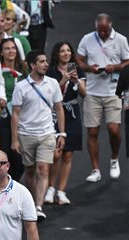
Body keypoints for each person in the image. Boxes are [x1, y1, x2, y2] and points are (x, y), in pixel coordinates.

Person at [11, 50, 65, 222]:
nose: (46, 64)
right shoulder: (21, 87)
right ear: (32, 65)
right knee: (29, 170)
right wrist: (14, 139)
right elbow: (16, 114)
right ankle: (32, 202)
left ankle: (38, 206)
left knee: (43, 168)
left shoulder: (53, 83)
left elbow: (58, 108)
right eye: (41, 61)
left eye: (46, 61)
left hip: (47, 133)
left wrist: (61, 133)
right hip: (26, 134)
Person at [76, 14, 129, 183]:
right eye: (100, 31)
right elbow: (79, 59)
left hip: (114, 91)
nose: (103, 34)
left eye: (106, 31)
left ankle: (114, 159)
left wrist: (115, 67)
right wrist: (89, 68)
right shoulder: (87, 39)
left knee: (114, 129)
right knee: (92, 131)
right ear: (96, 27)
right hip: (92, 91)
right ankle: (95, 169)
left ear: (111, 26)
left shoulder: (121, 40)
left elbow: (127, 61)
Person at [44, 42, 86, 205]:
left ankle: (61, 191)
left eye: (69, 50)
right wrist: (64, 79)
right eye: (62, 51)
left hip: (72, 113)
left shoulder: (77, 69)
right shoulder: (51, 71)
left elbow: (84, 94)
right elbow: (50, 93)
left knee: (68, 154)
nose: (66, 53)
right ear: (57, 54)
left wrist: (76, 82)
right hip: (55, 114)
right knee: (56, 153)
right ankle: (50, 188)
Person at [0, 38, 28, 181]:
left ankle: (14, 183)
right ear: (1, 52)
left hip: (23, 117)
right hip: (4, 117)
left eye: (13, 48)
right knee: (5, 151)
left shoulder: (25, 70)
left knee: (20, 156)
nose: (11, 51)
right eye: (7, 48)